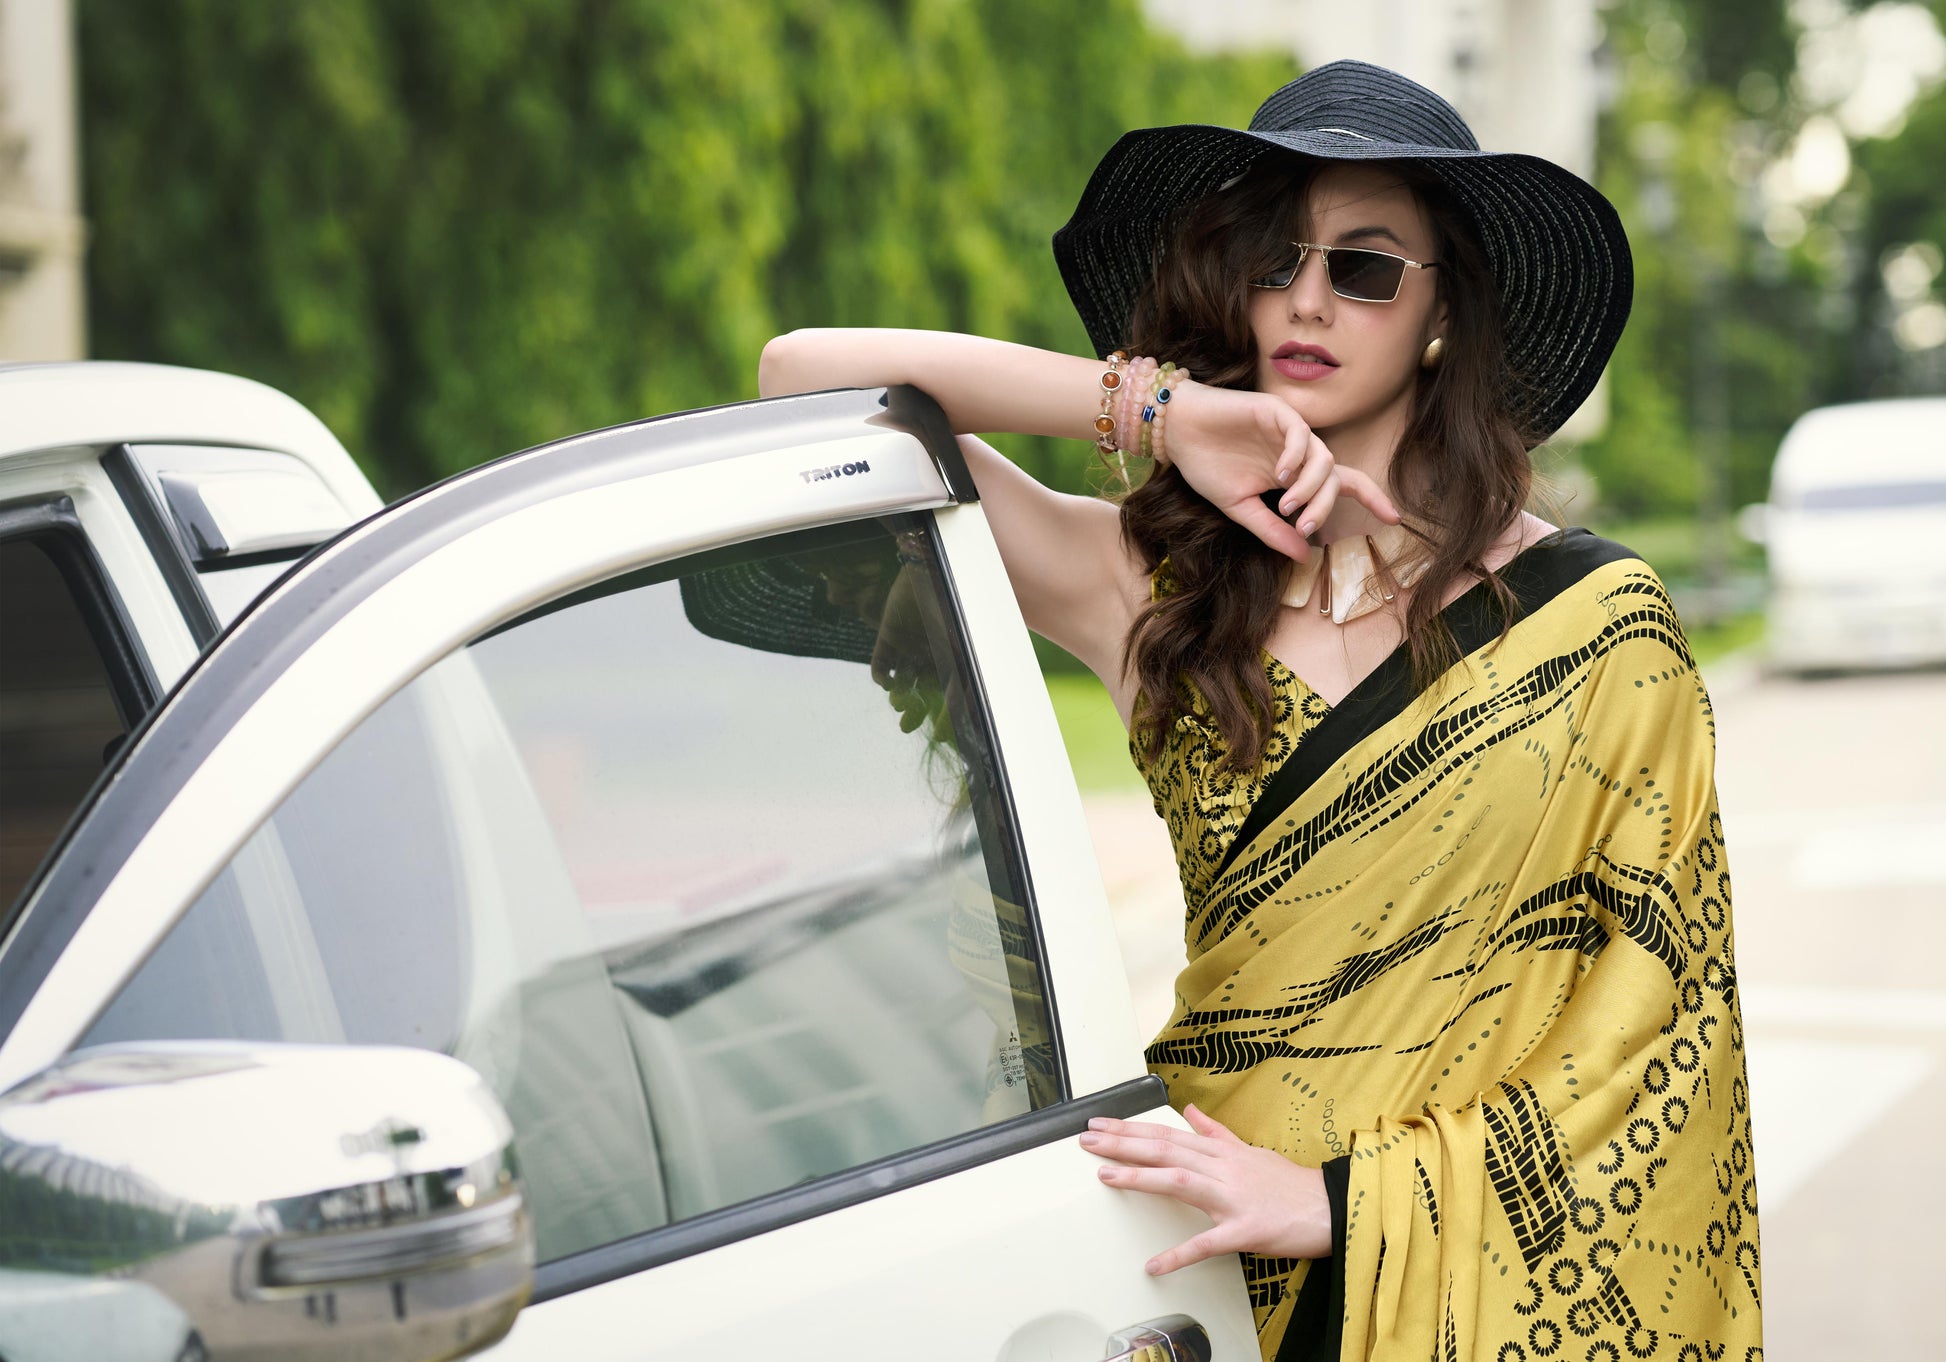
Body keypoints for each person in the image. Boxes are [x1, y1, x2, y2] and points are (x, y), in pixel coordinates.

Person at [759, 59, 1762, 1362]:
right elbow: (801, 376)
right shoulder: (1144, 586)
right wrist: (1161, 413)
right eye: (1273, 258)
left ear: (1444, 309)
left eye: (1365, 267)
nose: (1307, 298)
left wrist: (1347, 1202)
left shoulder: (1595, 628)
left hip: (1471, 1286)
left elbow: (1658, 1037)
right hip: (1215, 1272)